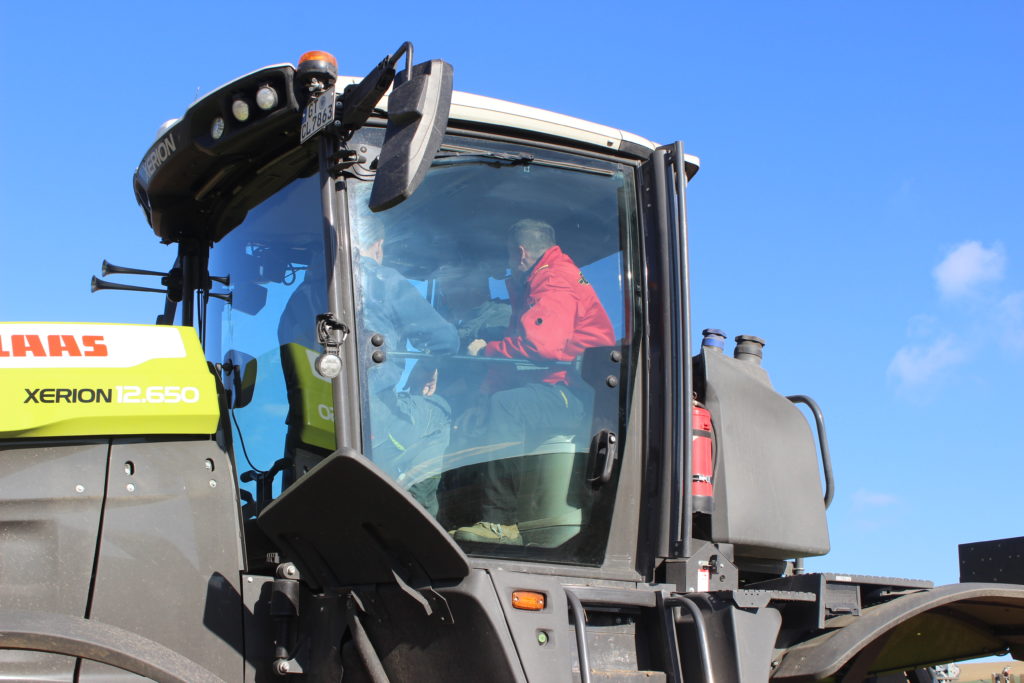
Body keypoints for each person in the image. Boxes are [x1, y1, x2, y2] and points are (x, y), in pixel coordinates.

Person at [452, 219, 615, 544]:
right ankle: (464, 515)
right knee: (492, 406)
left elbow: (542, 346)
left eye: (509, 256)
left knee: (508, 407)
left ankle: (499, 524)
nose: (507, 265)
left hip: (579, 394)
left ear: (521, 252)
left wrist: (487, 349)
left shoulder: (553, 280)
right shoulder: (540, 281)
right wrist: (482, 395)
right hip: (558, 385)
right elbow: (521, 352)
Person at [354, 218, 460, 515]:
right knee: (438, 413)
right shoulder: (380, 280)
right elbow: (446, 339)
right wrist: (428, 366)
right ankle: (419, 520)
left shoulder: (304, 295)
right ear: (378, 246)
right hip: (373, 422)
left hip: (314, 429)